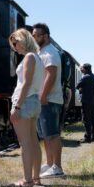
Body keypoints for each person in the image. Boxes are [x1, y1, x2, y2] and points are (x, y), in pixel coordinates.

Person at [9, 28, 44, 187]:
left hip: (25, 102)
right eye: (13, 44)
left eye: (16, 42)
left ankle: (27, 180)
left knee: (25, 144)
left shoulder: (29, 57)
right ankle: (36, 178)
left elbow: (26, 83)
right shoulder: (37, 58)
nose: (15, 47)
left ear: (25, 40)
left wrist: (17, 107)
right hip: (34, 101)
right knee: (33, 142)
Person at [32, 23, 65, 178]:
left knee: (52, 134)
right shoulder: (42, 52)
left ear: (46, 36)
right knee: (45, 134)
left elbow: (51, 74)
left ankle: (57, 167)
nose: (34, 37)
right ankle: (50, 163)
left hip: (49, 99)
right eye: (33, 35)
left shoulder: (50, 53)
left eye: (37, 35)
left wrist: (43, 95)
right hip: (44, 99)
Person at [76, 63, 94, 143]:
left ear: (85, 69)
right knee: (93, 119)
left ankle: (88, 137)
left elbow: (77, 86)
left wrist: (81, 89)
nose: (81, 70)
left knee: (86, 119)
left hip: (86, 101)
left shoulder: (85, 77)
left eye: (82, 68)